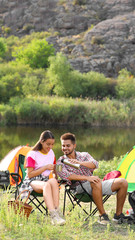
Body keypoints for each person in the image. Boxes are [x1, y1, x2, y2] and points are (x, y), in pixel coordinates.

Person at [56, 132, 128, 225]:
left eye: (68, 145)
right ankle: (102, 215)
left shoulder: (84, 155)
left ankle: (118, 216)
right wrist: (87, 178)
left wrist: (79, 162)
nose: (65, 148)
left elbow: (95, 164)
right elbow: (65, 175)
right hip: (78, 188)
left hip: (93, 184)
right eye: (63, 146)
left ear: (74, 145)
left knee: (123, 182)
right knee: (95, 181)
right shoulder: (59, 162)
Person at [19, 130, 65, 226]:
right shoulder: (33, 154)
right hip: (32, 180)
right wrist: (45, 167)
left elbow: (54, 167)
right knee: (47, 184)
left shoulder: (51, 153)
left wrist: (56, 174)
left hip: (44, 179)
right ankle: (53, 215)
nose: (50, 147)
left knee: (52, 181)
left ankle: (57, 211)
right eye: (48, 144)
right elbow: (30, 174)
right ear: (41, 141)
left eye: (52, 144)